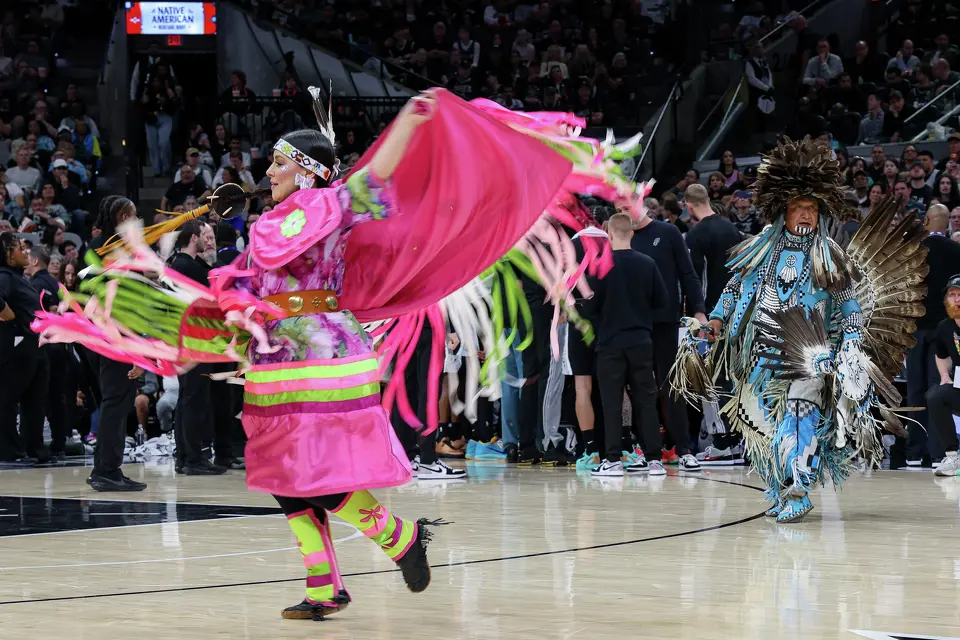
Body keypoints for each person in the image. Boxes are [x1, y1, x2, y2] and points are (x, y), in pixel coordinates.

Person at [35, 89, 636, 620]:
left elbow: (376, 178)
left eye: (276, 162)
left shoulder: (335, 204)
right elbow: (244, 279)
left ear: (303, 169)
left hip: (319, 349)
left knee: (316, 473)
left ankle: (398, 537)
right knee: (283, 477)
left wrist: (410, 121)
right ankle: (326, 584)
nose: (267, 171)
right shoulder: (271, 221)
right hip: (278, 352)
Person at [680, 136, 926, 523]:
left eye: (812, 208)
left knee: (799, 412)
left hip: (812, 355)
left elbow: (849, 307)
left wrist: (849, 345)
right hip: (760, 353)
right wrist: (715, 321)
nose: (806, 215)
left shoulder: (829, 254)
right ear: (784, 211)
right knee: (767, 426)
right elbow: (733, 290)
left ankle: (798, 488)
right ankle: (780, 487)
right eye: (799, 207)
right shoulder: (760, 248)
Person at [589, 213, 668, 477]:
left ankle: (613, 460)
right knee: (646, 401)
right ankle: (654, 460)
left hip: (610, 343)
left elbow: (590, 306)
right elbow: (662, 302)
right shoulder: (648, 263)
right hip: (641, 341)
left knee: (611, 402)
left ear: (609, 234)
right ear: (632, 233)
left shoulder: (599, 265)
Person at [630, 204, 706, 471]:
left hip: (666, 321)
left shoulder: (668, 231)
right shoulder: (621, 236)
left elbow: (688, 273)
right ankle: (646, 449)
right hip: (634, 324)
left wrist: (698, 308)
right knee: (640, 388)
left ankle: (683, 448)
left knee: (671, 386)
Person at [85, 196, 146, 492]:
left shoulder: (100, 248)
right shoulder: (115, 251)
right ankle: (106, 470)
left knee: (115, 402)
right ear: (123, 217)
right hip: (115, 336)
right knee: (116, 402)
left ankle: (107, 467)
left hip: (102, 334)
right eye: (134, 216)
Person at [900, 205, 960, 467]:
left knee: (915, 389)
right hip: (943, 329)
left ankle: (914, 452)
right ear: (947, 224)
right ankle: (939, 454)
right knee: (939, 388)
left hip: (914, 328)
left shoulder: (913, 250)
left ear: (925, 222)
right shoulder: (956, 251)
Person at [0, 232, 49, 462]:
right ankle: (9, 450)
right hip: (18, 345)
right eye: (19, 248)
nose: (25, 251)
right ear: (8, 255)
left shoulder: (22, 278)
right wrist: (9, 316)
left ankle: (34, 449)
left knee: (35, 401)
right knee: (8, 398)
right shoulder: (4, 276)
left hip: (35, 345)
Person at [25, 246, 69, 458]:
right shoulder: (56, 283)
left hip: (47, 346)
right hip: (61, 344)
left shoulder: (37, 284)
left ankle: (41, 445)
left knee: (42, 397)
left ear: (34, 261)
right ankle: (60, 441)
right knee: (56, 396)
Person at [930, 275, 960, 477]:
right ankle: (952, 456)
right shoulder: (945, 327)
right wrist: (944, 376)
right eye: (952, 295)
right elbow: (941, 354)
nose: (957, 299)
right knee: (936, 397)